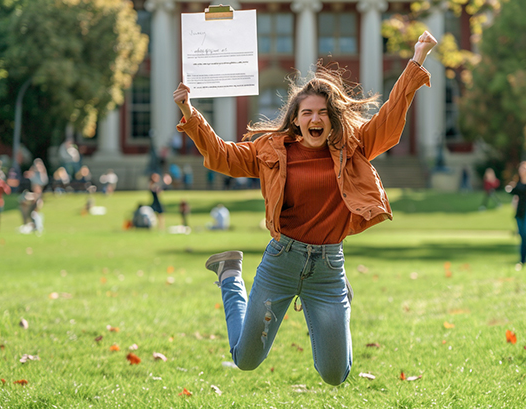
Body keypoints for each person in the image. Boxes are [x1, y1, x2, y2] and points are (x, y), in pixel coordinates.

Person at [173, 31, 436, 385]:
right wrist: (190, 112)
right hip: (281, 261)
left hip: (328, 267)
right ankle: (230, 275)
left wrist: (417, 59)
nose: (316, 119)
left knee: (335, 375)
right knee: (245, 360)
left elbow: (389, 122)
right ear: (296, 119)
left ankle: (341, 293)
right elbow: (223, 156)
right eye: (307, 112)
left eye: (323, 113)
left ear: (332, 118)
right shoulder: (270, 151)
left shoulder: (352, 148)